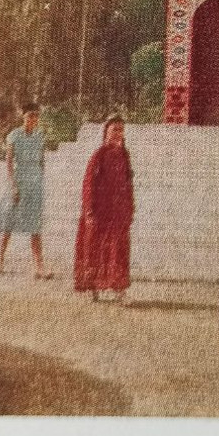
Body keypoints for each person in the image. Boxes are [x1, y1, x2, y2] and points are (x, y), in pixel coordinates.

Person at [73, 115, 135, 301]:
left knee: (118, 250)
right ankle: (93, 288)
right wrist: (89, 210)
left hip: (118, 211)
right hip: (100, 210)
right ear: (106, 131)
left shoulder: (125, 155)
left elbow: (128, 183)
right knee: (95, 248)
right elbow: (88, 184)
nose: (118, 133)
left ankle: (119, 290)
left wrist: (130, 207)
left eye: (120, 130)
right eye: (114, 129)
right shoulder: (98, 155)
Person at [0, 102, 52, 279]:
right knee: (9, 222)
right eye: (29, 116)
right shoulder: (14, 135)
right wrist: (13, 186)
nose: (33, 119)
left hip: (35, 182)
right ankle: (0, 260)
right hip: (18, 180)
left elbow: (42, 160)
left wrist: (40, 179)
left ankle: (39, 267)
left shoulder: (40, 136)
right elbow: (9, 162)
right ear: (23, 116)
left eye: (35, 116)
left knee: (35, 224)